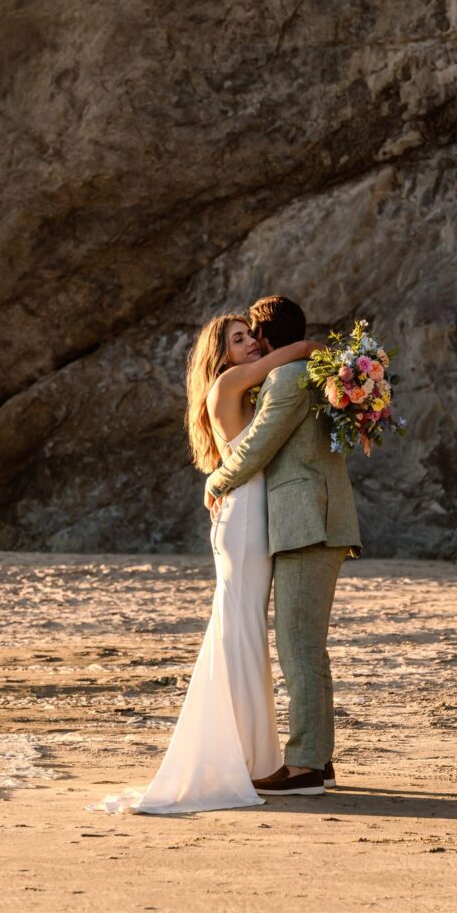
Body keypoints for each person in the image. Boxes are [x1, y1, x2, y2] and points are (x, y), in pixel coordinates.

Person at [86, 312, 321, 815]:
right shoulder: (228, 382)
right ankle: (248, 760)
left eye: (251, 336)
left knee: (243, 628)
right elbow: (297, 353)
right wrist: (328, 353)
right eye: (240, 340)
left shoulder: (240, 385)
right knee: (240, 628)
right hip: (240, 517)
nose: (253, 345)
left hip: (248, 510)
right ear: (222, 353)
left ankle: (252, 755)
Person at [205, 296, 361, 797]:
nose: (251, 342)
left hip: (306, 523)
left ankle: (306, 765)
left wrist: (216, 479)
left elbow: (259, 445)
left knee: (299, 647)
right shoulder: (309, 374)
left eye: (252, 334)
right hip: (308, 521)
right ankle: (319, 757)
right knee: (305, 646)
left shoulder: (291, 378)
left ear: (267, 338)